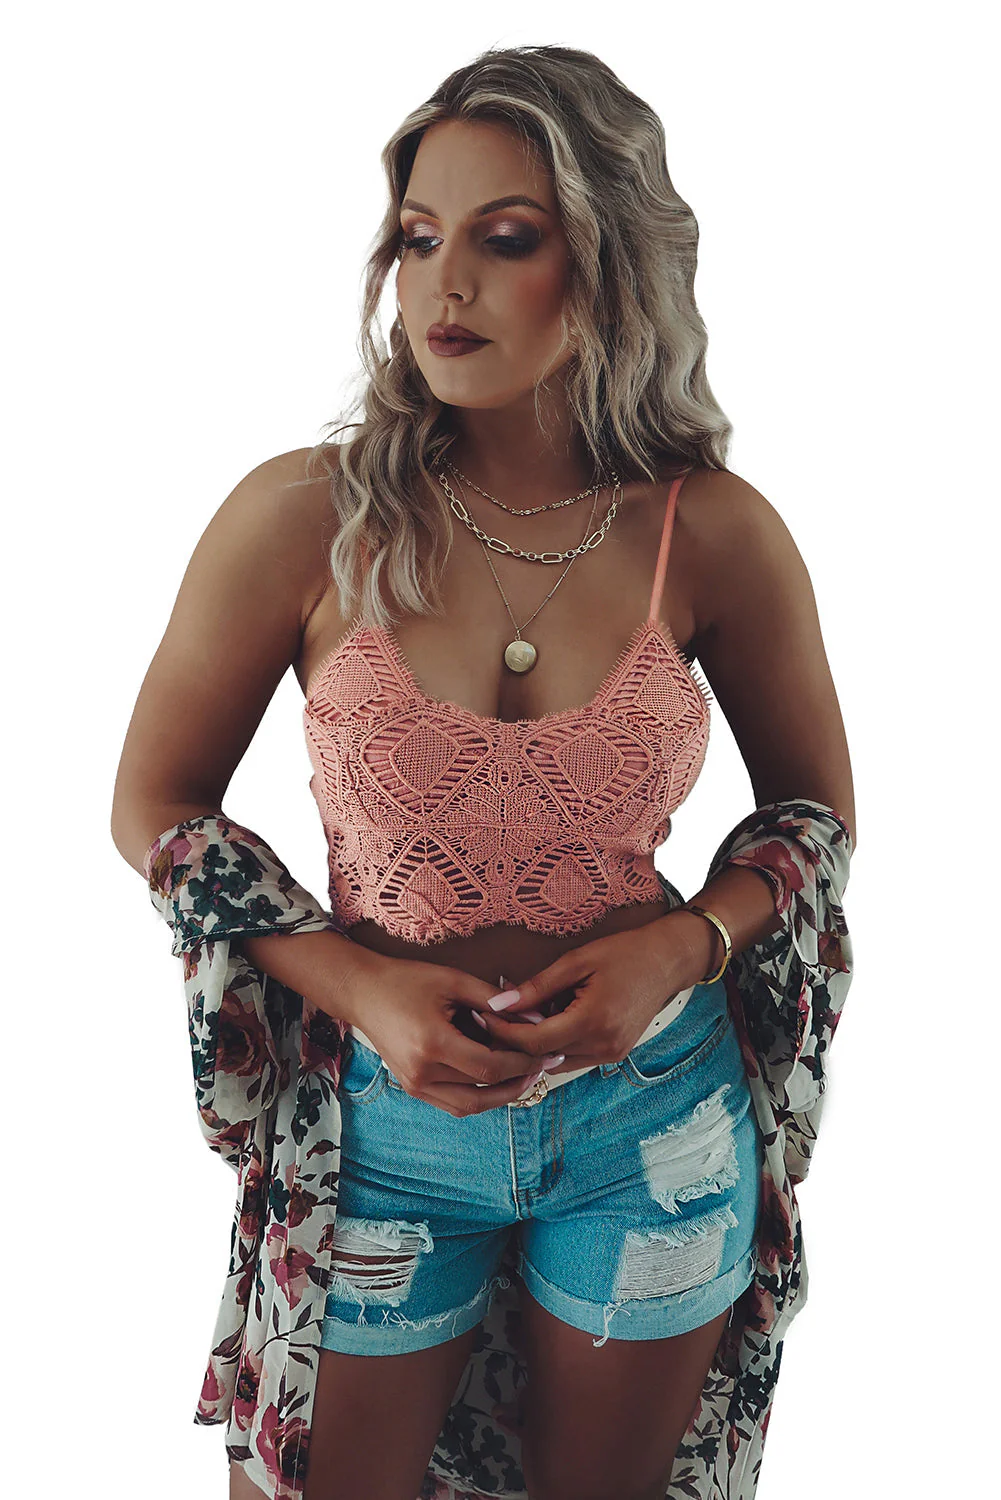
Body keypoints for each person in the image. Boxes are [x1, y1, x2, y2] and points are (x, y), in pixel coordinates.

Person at [112, 43, 856, 1500]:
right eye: (417, 237)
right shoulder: (306, 518)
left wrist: (681, 949)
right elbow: (156, 804)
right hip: (381, 1131)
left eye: (505, 238)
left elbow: (814, 820)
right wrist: (358, 985)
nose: (443, 283)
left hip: (653, 1121)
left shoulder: (712, 534)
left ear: (610, 265)